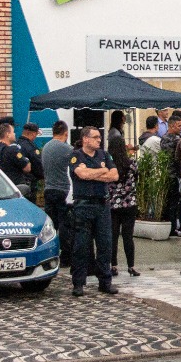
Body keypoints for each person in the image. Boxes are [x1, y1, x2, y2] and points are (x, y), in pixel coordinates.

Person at [68, 127, 120, 297]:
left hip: (102, 205)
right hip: (83, 205)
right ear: (85, 139)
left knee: (105, 244)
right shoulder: (76, 156)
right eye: (95, 137)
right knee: (81, 246)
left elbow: (114, 176)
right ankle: (78, 283)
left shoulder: (104, 155)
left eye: (100, 137)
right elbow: (81, 174)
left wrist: (94, 173)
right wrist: (102, 170)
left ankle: (105, 281)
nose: (99, 140)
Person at [41, 120, 75, 268]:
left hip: (48, 189)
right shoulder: (67, 149)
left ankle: (49, 253)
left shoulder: (45, 147)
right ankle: (66, 257)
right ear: (66, 134)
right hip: (63, 191)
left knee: (51, 225)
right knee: (65, 225)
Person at [108, 127, 139, 277]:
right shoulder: (131, 164)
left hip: (112, 205)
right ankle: (131, 266)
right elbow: (137, 180)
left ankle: (113, 265)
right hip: (129, 204)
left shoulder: (108, 165)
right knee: (128, 236)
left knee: (113, 236)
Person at [160, 111, 181, 238]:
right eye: (179, 126)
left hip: (166, 174)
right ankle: (172, 228)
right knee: (173, 203)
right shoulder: (176, 140)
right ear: (171, 126)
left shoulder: (163, 138)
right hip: (173, 175)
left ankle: (169, 226)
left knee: (169, 203)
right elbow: (177, 159)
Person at [0, 123, 32, 196]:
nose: (14, 134)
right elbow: (27, 168)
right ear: (7, 134)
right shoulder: (12, 150)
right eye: (13, 132)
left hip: (0, 190)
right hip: (14, 189)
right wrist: (27, 159)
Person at [16, 123, 44, 203]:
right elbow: (38, 166)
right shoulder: (30, 147)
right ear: (32, 133)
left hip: (17, 182)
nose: (35, 137)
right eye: (36, 134)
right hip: (29, 183)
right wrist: (43, 176)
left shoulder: (16, 144)